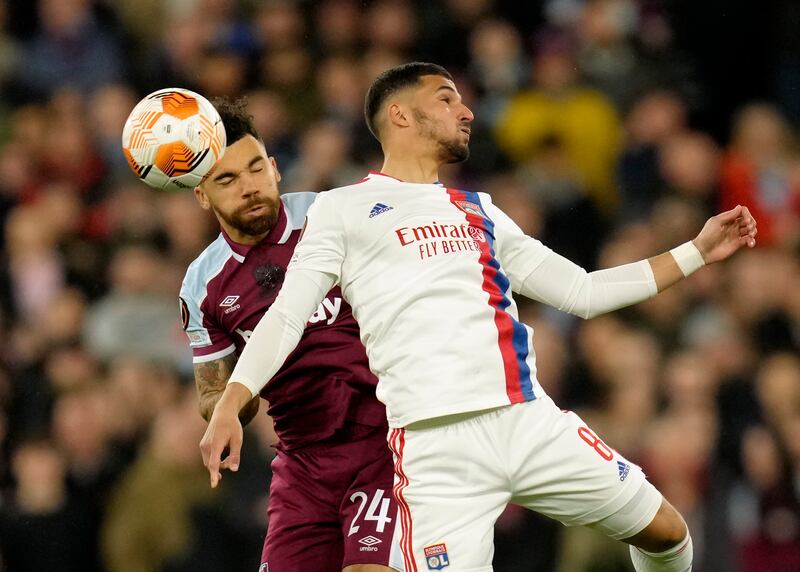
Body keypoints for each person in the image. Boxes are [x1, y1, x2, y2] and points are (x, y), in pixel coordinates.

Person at [200, 64, 758, 571]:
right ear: (400, 115)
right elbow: (287, 317)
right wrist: (230, 403)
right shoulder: (340, 210)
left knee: (667, 533)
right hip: (435, 454)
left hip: (528, 420)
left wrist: (696, 252)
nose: (466, 111)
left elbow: (583, 291)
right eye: (447, 99)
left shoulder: (480, 210)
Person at [179, 98, 403, 572]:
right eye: (227, 179)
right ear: (203, 195)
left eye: (256, 168)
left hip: (386, 441)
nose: (249, 187)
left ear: (276, 168)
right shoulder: (201, 286)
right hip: (304, 463)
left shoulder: (332, 216)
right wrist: (232, 409)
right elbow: (212, 393)